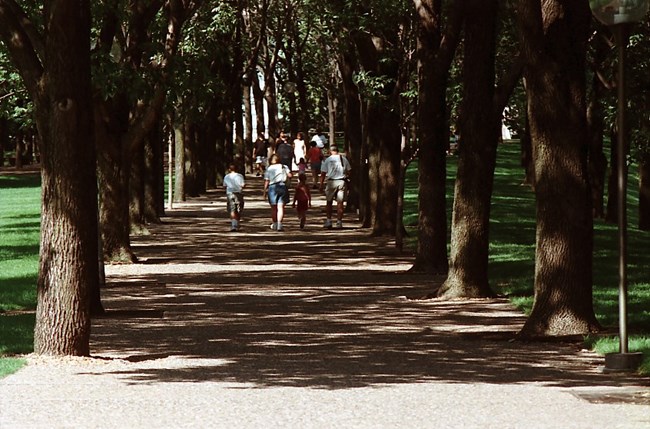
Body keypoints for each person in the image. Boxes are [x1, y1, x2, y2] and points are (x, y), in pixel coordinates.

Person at [319, 145, 351, 229]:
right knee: (340, 203)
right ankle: (339, 222)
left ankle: (329, 221)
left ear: (330, 151)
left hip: (331, 182)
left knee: (329, 202)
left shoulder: (328, 160)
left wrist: (321, 184)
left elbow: (323, 173)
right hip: (341, 181)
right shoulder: (343, 159)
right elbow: (349, 171)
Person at [264, 153, 292, 231]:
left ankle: (275, 224)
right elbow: (290, 175)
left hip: (272, 187)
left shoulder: (269, 168)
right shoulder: (284, 166)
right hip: (282, 186)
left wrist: (264, 191)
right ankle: (280, 224)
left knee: (273, 207)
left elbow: (267, 180)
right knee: (281, 207)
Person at [223, 164, 246, 231]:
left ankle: (234, 225)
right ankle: (237, 223)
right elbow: (243, 185)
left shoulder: (227, 176)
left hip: (230, 193)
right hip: (238, 193)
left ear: (229, 169)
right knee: (239, 209)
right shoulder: (239, 176)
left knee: (232, 209)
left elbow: (224, 185)